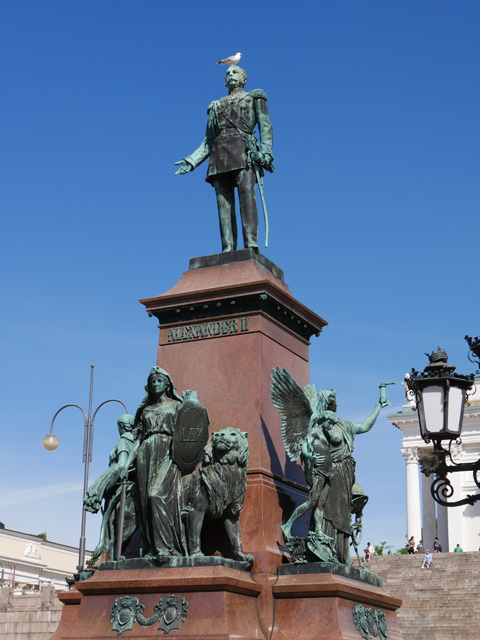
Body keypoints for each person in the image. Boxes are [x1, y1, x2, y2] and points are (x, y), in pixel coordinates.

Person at [175, 65, 273, 252]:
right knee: (223, 205)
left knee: (247, 198)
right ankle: (228, 248)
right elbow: (209, 140)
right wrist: (192, 161)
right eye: (227, 73)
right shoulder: (216, 105)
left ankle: (250, 243)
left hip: (244, 152)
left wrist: (266, 153)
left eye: (234, 72)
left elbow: (265, 127)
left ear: (244, 78)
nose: (230, 74)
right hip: (219, 154)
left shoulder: (254, 97)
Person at [318, 391, 389, 565]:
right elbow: (312, 447)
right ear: (327, 403)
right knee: (330, 512)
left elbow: (365, 426)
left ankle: (343, 557)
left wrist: (378, 406)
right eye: (333, 399)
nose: (336, 403)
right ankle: (328, 551)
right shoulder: (321, 425)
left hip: (346, 474)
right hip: (332, 472)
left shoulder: (346, 425)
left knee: (343, 514)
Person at [131, 366, 186, 561]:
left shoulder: (177, 405)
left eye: (159, 381)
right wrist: (127, 462)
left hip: (168, 452)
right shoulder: (145, 410)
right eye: (152, 381)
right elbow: (137, 438)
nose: (155, 384)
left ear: (167, 384)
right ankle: (150, 546)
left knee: (156, 495)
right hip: (146, 453)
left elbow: (192, 428)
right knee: (145, 500)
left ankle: (167, 547)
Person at [83, 414, 139, 560]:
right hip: (132, 487)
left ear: (121, 427)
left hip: (120, 489)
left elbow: (121, 465)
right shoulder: (136, 441)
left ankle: (113, 558)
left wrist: (101, 486)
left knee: (116, 529)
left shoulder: (123, 442)